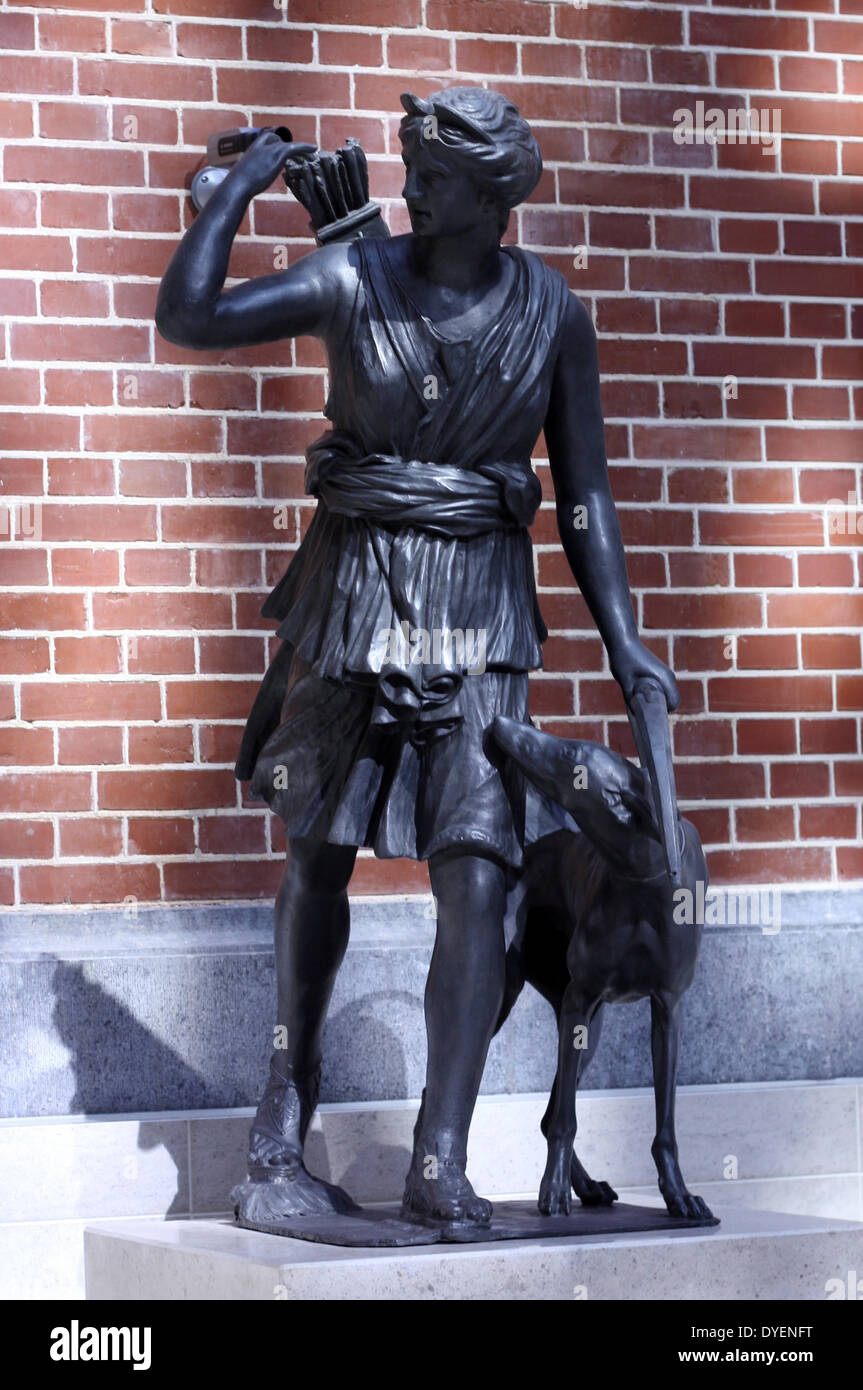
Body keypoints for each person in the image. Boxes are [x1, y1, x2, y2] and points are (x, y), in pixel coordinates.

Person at [156, 86, 678, 1233]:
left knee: (479, 880)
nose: (407, 189)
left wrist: (623, 632)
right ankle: (279, 1121)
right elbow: (188, 318)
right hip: (352, 597)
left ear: (493, 199)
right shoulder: (354, 279)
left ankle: (440, 1155)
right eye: (408, 167)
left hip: (482, 613)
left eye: (431, 175)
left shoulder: (555, 317)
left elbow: (582, 495)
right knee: (318, 856)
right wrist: (238, 192)